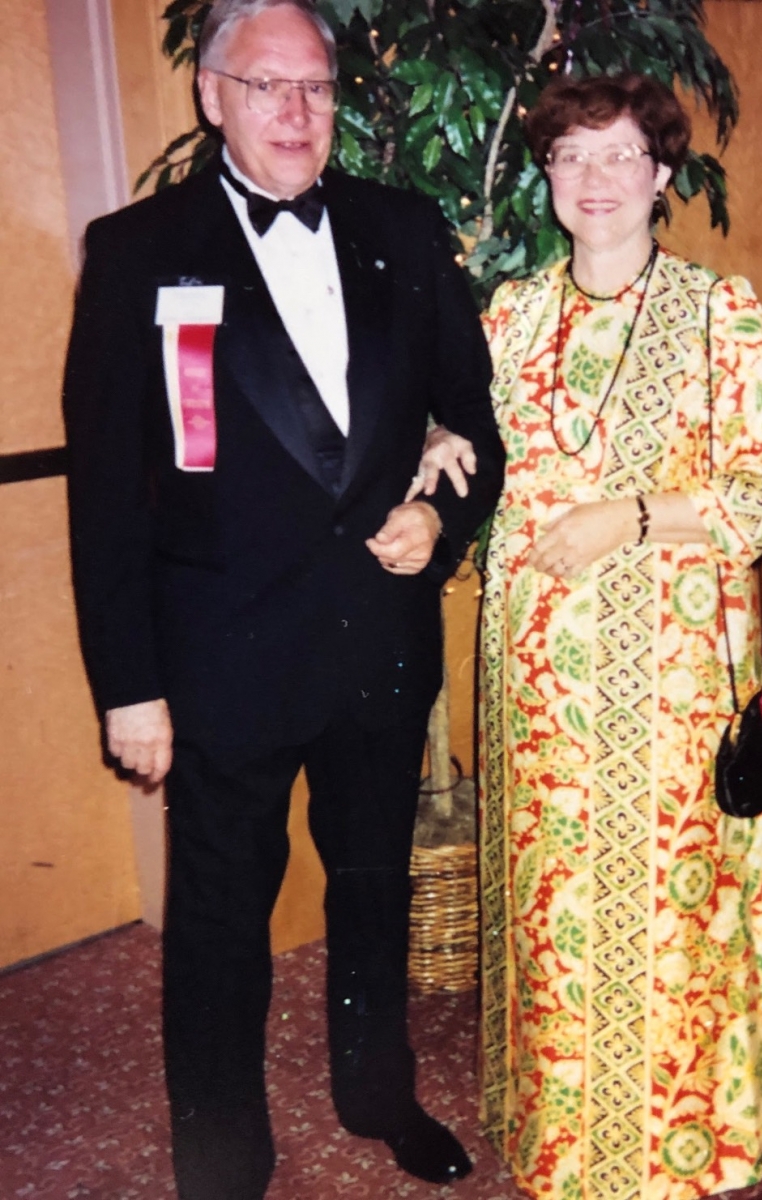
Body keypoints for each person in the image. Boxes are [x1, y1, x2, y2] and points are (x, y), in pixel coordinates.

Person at [62, 1, 504, 1196]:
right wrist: (130, 687)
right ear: (212, 97)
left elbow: (476, 428)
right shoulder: (138, 249)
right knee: (216, 928)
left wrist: (440, 516)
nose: (297, 113)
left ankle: (377, 1091)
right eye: (266, 88)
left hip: (376, 643)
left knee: (372, 888)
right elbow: (105, 496)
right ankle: (221, 1154)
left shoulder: (402, 231)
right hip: (220, 663)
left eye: (314, 86)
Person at [421, 73, 762, 1200]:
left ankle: (677, 1141)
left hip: (673, 668)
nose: (593, 180)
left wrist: (629, 517)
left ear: (659, 175)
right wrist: (441, 441)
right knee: (554, 902)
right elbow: (473, 437)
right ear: (547, 181)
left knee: (665, 898)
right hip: (538, 671)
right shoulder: (508, 314)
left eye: (617, 155)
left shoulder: (715, 309)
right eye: (569, 158)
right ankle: (557, 1131)